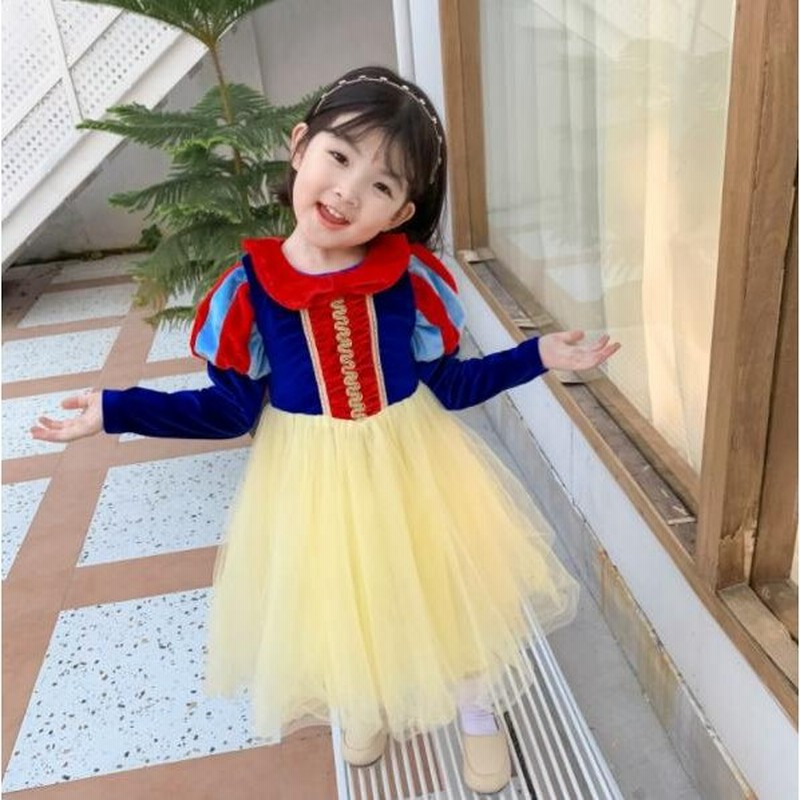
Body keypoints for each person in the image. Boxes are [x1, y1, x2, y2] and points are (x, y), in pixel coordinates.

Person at [32, 65, 620, 794]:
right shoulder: (247, 293)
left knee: (444, 590)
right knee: (345, 600)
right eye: (339, 157)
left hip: (414, 468)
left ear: (402, 211)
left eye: (381, 184)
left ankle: (476, 712)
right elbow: (227, 412)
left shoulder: (412, 283)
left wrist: (537, 356)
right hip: (311, 484)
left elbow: (451, 384)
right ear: (299, 145)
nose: (347, 191)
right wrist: (116, 410)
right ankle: (362, 698)